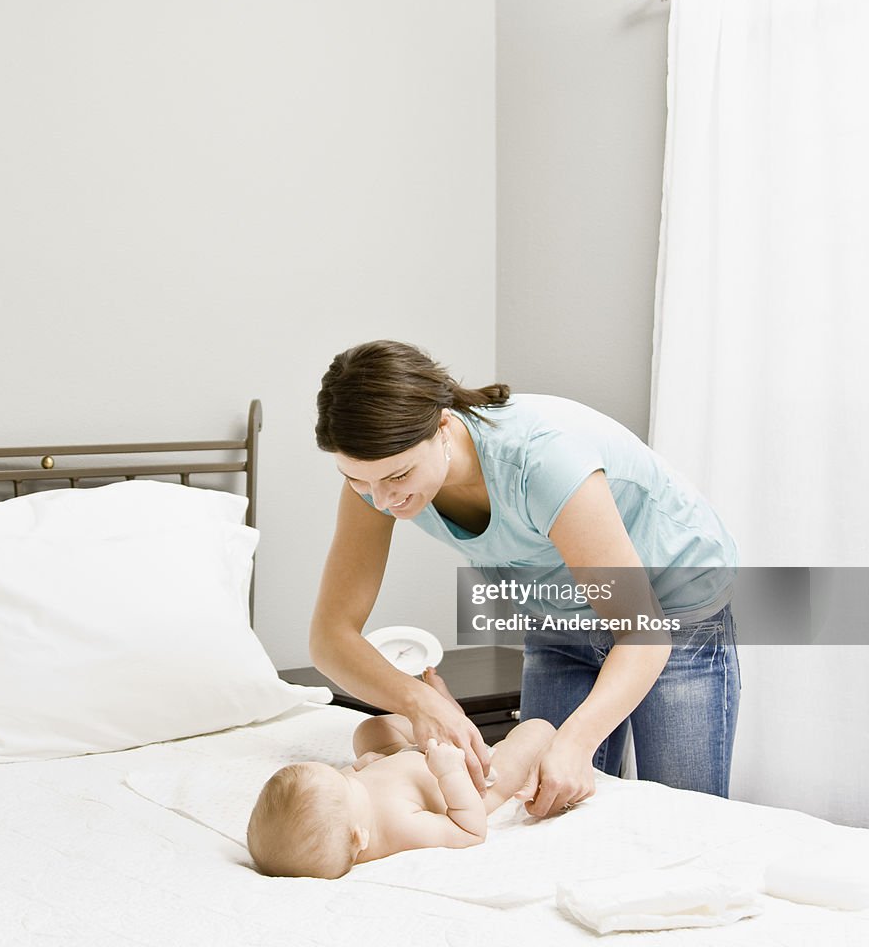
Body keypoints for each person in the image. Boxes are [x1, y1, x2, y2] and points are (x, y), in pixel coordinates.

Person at [309, 340, 740, 817]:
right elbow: (331, 638)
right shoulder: (375, 482)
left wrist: (576, 743)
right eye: (356, 480)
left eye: (399, 476)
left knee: (683, 816)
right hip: (558, 613)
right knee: (543, 805)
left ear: (445, 427)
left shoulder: (542, 460)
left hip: (670, 605)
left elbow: (643, 632)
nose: (382, 500)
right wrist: (419, 703)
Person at [247, 671, 558, 878]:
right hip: (471, 778)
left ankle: (446, 717)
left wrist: (366, 764)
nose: (347, 773)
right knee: (537, 729)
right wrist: (450, 773)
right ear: (359, 837)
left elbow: (352, 781)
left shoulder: (344, 810)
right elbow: (469, 830)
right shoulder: (399, 828)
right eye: (345, 780)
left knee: (369, 730)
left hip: (408, 756)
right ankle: (462, 729)